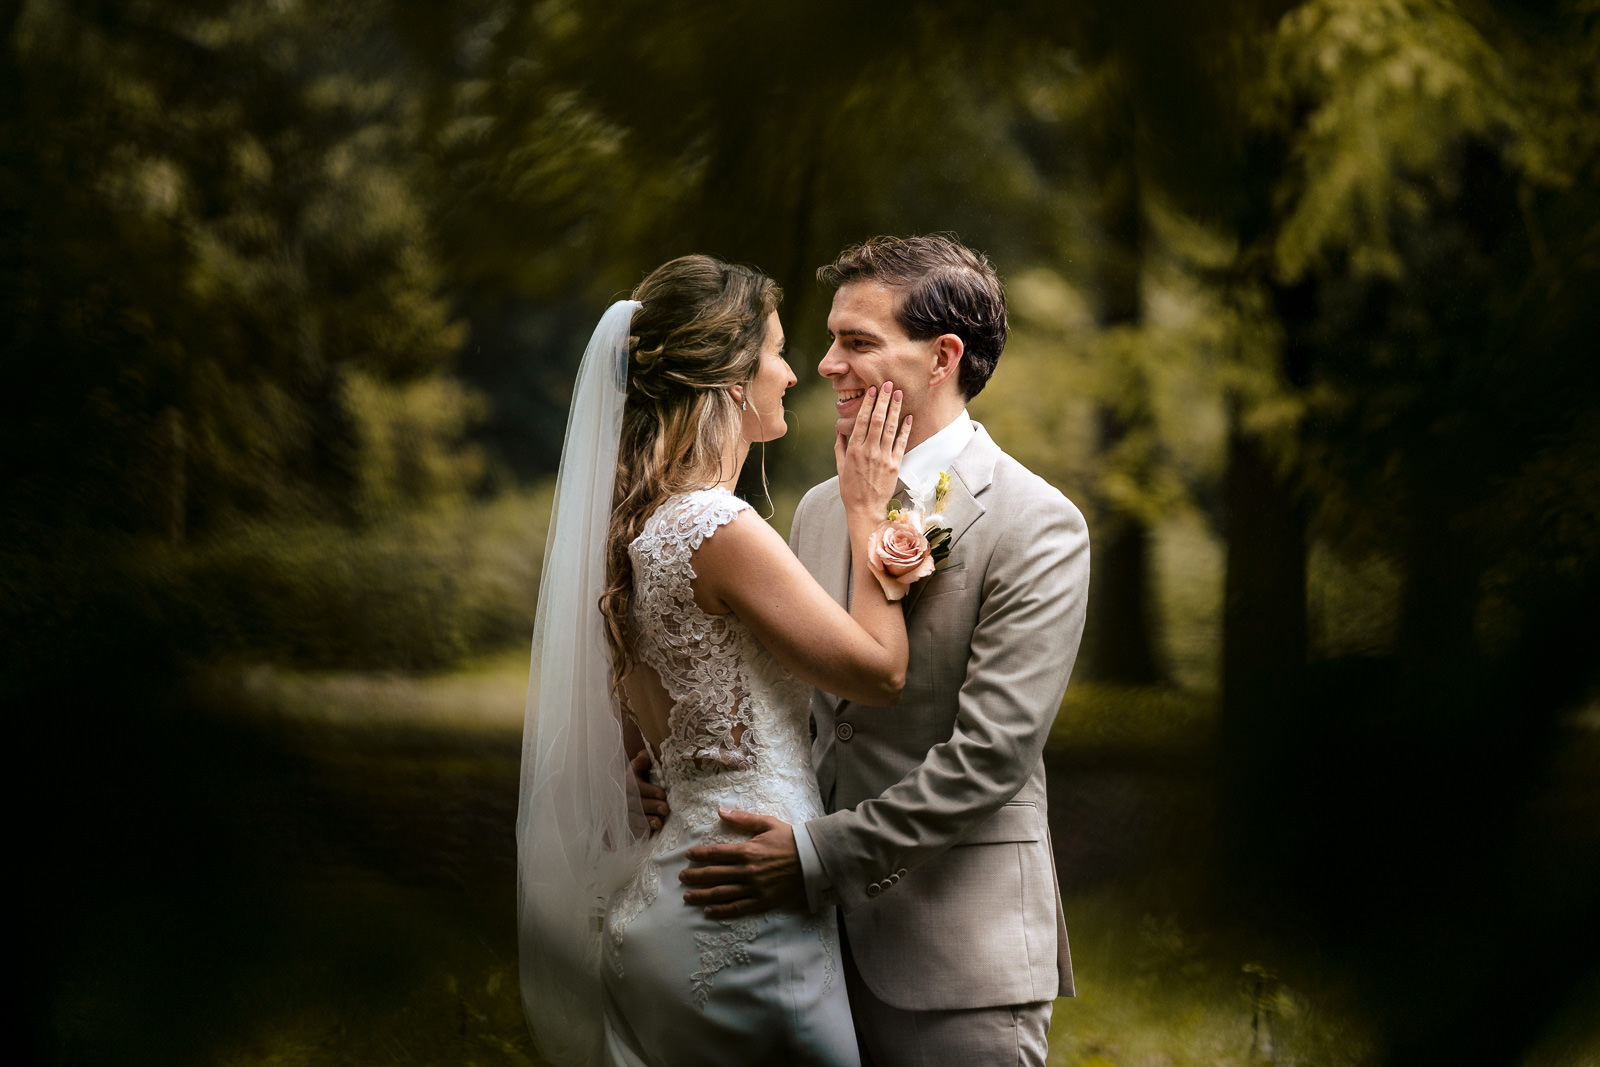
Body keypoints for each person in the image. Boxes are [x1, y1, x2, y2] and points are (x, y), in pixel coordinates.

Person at [679, 235, 1091, 1066]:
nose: (826, 364)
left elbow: (991, 757)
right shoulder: (821, 509)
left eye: (857, 342)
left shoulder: (1036, 523)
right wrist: (685, 774)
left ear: (942, 357)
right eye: (828, 339)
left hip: (958, 955)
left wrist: (816, 855)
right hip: (807, 952)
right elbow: (802, 710)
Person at [517, 254, 916, 1067]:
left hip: (666, 903)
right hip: (744, 920)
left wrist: (648, 777)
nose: (793, 372)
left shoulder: (635, 531)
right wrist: (873, 511)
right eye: (774, 352)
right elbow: (879, 671)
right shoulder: (714, 526)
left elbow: (638, 738)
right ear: (734, 379)